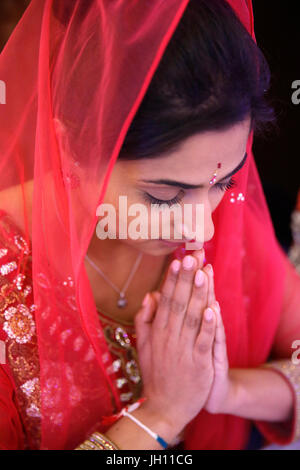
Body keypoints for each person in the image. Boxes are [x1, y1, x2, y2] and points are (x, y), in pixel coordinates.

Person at [0, 0, 300, 451]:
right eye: (164, 195)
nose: (203, 230)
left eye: (227, 180)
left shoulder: (224, 216)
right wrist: (163, 413)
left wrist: (227, 392)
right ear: (72, 147)